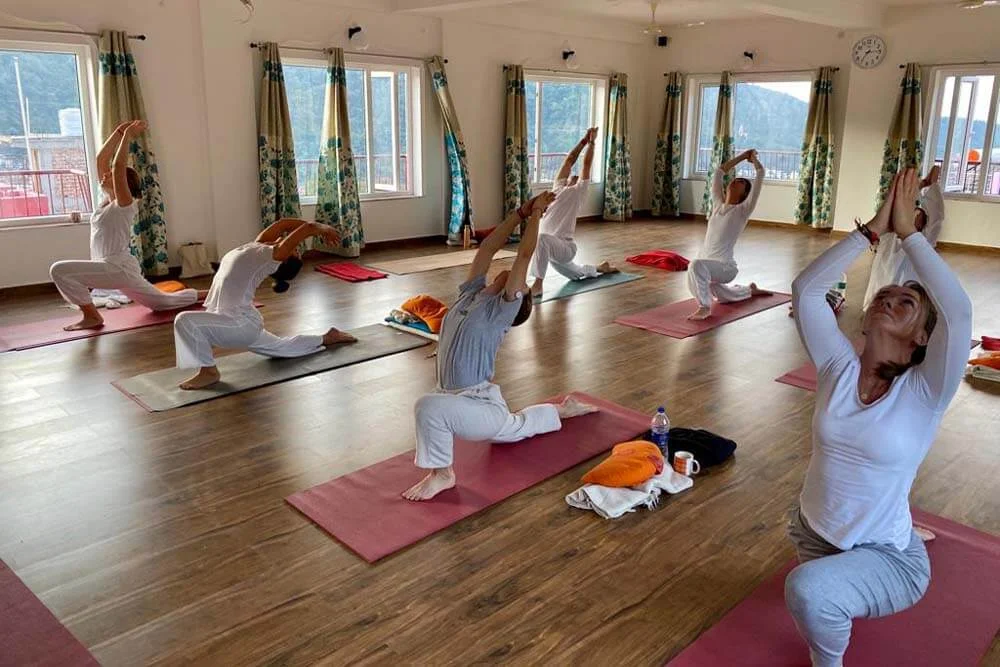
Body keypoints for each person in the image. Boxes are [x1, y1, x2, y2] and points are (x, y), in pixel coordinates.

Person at [785, 168, 972, 667]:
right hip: (813, 532)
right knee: (819, 580)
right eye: (885, 296)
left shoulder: (926, 392)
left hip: (889, 560)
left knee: (807, 592)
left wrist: (908, 232)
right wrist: (872, 229)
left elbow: (957, 312)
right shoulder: (837, 367)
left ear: (923, 337)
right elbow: (806, 291)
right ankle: (902, 526)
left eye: (907, 302)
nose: (890, 299)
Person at [403, 192, 599, 501]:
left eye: (521, 288)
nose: (516, 283)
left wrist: (537, 214)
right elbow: (489, 247)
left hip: (478, 405)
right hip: (464, 404)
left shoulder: (501, 310)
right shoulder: (471, 293)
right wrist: (520, 212)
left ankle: (443, 474)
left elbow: (524, 255)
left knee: (427, 407)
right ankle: (563, 410)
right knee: (514, 427)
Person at [50, 121, 202, 330]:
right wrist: (118, 132)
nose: (104, 176)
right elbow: (101, 160)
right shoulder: (106, 202)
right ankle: (208, 293)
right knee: (162, 303)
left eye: (109, 176)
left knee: (59, 270)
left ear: (123, 184)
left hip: (116, 268)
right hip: (113, 268)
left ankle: (92, 316)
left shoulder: (125, 205)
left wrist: (128, 136)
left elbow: (117, 167)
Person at [173, 218, 357, 390]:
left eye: (291, 248)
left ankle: (209, 372)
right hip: (241, 321)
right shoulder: (257, 247)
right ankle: (327, 337)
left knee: (184, 320)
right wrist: (317, 229)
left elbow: (309, 228)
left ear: (283, 258)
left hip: (239, 325)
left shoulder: (269, 257)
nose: (283, 240)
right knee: (282, 348)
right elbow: (283, 224)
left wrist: (324, 229)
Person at [528, 128, 617, 298]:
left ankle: (537, 285)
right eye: (572, 176)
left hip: (564, 247)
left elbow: (586, 164)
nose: (575, 176)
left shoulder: (579, 192)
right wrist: (583, 141)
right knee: (577, 275)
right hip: (550, 250)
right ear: (566, 179)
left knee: (542, 239)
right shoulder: (557, 188)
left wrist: (592, 143)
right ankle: (601, 267)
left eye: (577, 177)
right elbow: (570, 160)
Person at [687, 149, 772, 320]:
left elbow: (760, 173)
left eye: (740, 181)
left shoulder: (742, 210)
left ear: (745, 193)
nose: (735, 181)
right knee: (719, 293)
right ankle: (749, 290)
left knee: (695, 265)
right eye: (734, 179)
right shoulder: (717, 205)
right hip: (710, 267)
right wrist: (741, 157)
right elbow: (719, 172)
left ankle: (704, 307)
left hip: (725, 267)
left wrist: (752, 159)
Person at [862, 165, 945, 312]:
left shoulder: (924, 225)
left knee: (903, 282)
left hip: (909, 257)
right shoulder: (897, 216)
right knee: (887, 277)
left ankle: (902, 309)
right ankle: (884, 306)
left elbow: (934, 216)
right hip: (891, 253)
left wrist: (931, 184)